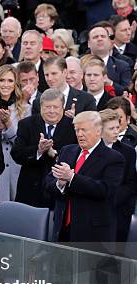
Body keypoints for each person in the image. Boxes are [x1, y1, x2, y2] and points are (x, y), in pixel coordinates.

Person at [46, 111, 125, 243]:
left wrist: (72, 178)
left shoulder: (114, 158)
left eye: (84, 130)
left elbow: (105, 190)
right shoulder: (67, 151)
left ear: (98, 131)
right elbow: (49, 182)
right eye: (77, 130)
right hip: (63, 229)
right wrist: (60, 183)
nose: (79, 134)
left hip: (92, 233)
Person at [12, 88, 77, 208]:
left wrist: (56, 155)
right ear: (41, 107)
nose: (51, 111)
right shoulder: (26, 124)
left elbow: (77, 158)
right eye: (47, 107)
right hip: (30, 191)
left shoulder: (73, 127)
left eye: (55, 107)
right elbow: (16, 154)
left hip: (59, 192)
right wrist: (38, 150)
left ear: (63, 107)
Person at [0, 65, 31, 201]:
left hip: (17, 166)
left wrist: (9, 124)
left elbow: (23, 142)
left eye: (10, 81)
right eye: (2, 80)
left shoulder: (25, 108)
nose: (6, 85)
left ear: (15, 83)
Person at [99, 109, 137, 242]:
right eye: (111, 128)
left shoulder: (128, 152)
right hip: (91, 213)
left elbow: (131, 184)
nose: (116, 131)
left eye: (117, 127)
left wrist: (110, 201)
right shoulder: (87, 150)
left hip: (117, 213)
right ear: (100, 130)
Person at [87, 25, 131, 95]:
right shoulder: (80, 64)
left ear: (110, 41)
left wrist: (110, 83)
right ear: (88, 43)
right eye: (95, 37)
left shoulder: (122, 66)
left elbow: (127, 91)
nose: (99, 39)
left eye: (103, 36)